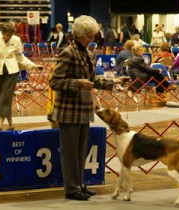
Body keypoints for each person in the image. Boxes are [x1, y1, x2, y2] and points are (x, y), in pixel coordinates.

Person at [49, 15, 129, 201]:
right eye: (89, 36)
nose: (92, 39)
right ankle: (71, 189)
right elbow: (55, 82)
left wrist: (114, 81)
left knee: (80, 152)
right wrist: (77, 83)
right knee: (69, 153)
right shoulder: (68, 53)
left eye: (93, 36)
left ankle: (80, 185)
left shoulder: (88, 54)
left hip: (84, 109)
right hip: (68, 111)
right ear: (79, 35)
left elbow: (92, 82)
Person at [0, 21, 43, 131]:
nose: (9, 37)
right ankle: (11, 124)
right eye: (8, 34)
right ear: (2, 32)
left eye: (11, 34)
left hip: (12, 71)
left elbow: (20, 57)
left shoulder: (16, 40)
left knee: (6, 97)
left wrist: (34, 66)